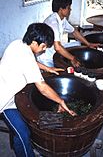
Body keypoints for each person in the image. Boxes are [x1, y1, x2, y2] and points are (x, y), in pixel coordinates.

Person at [0, 23, 76, 157]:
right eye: (44, 46)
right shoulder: (26, 56)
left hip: (16, 94)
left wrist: (47, 68)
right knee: (23, 133)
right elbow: (42, 88)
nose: (44, 49)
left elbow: (31, 63)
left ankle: (35, 140)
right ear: (35, 42)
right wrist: (61, 101)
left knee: (37, 118)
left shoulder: (18, 44)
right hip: (5, 102)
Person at [37, 0, 101, 68]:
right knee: (58, 72)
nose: (70, 9)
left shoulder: (62, 19)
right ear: (61, 9)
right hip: (47, 57)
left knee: (78, 43)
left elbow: (74, 31)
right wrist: (72, 58)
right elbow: (57, 47)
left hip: (54, 49)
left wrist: (88, 44)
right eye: (68, 7)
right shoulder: (53, 23)